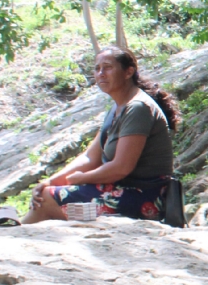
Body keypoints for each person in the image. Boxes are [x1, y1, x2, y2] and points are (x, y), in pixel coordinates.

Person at [22, 47, 180, 224]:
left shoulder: (138, 108)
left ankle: (16, 234)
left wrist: (82, 179)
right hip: (119, 191)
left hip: (143, 198)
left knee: (46, 199)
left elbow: (121, 167)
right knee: (46, 192)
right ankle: (18, 231)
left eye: (108, 67)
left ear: (129, 72)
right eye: (97, 68)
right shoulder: (117, 108)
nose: (101, 73)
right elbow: (91, 158)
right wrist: (51, 181)